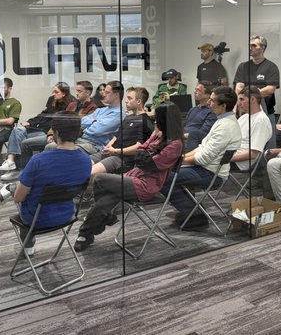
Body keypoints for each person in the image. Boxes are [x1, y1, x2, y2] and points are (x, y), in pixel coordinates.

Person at [73, 102, 184, 251]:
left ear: (166, 120)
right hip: (134, 177)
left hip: (147, 186)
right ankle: (86, 233)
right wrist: (146, 153)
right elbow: (140, 151)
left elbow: (148, 163)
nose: (155, 121)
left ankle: (98, 222)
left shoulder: (175, 144)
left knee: (99, 179)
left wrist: (145, 154)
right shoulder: (159, 135)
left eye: (158, 118)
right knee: (108, 196)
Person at [0, 111, 92, 256]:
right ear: (78, 132)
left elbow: (18, 198)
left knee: (24, 195)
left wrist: (18, 191)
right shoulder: (86, 161)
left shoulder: (39, 160)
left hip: (36, 219)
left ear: (56, 133)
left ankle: (28, 247)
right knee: (36, 188)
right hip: (67, 215)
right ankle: (11, 187)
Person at [161, 86, 242, 229]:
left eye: (212, 101)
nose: (209, 103)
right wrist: (180, 158)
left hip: (211, 174)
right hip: (207, 169)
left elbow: (204, 158)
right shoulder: (222, 121)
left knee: (164, 177)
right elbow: (202, 148)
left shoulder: (226, 126)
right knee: (166, 173)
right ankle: (192, 212)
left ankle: (194, 216)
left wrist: (177, 161)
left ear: (223, 105)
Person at [0, 82, 73, 181]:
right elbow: (43, 114)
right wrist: (30, 122)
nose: (53, 94)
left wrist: (51, 133)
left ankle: (22, 170)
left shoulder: (70, 106)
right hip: (39, 129)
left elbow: (60, 123)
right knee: (17, 130)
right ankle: (11, 161)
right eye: (53, 92)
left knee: (21, 140)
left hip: (48, 133)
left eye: (56, 92)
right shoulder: (52, 100)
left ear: (63, 94)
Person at [45, 80, 125, 157]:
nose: (103, 94)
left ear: (116, 95)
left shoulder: (118, 114)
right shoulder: (102, 109)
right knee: (50, 146)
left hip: (94, 145)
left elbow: (97, 130)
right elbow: (82, 121)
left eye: (107, 92)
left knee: (59, 149)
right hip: (81, 140)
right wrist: (92, 121)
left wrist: (87, 125)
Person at [90, 87, 155, 176]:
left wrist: (115, 151)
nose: (126, 101)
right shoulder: (128, 118)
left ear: (139, 101)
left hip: (124, 159)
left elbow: (139, 147)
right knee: (81, 165)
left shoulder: (145, 121)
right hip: (110, 152)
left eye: (129, 98)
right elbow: (116, 136)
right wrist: (109, 146)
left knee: (88, 172)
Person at [234, 36, 280, 134]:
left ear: (262, 48)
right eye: (249, 45)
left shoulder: (271, 67)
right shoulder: (243, 66)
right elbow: (239, 87)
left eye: (254, 45)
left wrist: (250, 95)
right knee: (244, 139)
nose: (250, 48)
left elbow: (270, 89)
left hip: (266, 112)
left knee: (268, 142)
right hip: (245, 113)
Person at [230, 86, 273, 171]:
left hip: (237, 163)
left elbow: (253, 154)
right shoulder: (244, 117)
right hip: (230, 154)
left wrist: (226, 158)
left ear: (253, 99)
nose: (238, 103)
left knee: (203, 163)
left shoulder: (260, 120)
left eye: (242, 99)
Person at [182, 81, 217, 152]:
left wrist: (182, 136)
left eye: (198, 90)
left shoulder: (211, 112)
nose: (195, 92)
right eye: (195, 89)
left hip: (194, 143)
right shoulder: (193, 109)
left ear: (207, 95)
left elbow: (203, 133)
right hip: (182, 141)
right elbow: (184, 126)